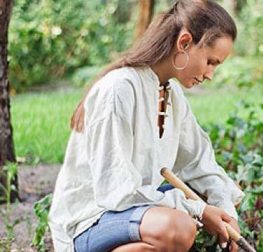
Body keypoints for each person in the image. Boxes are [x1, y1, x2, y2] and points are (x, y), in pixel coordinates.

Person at [48, 0, 244, 251]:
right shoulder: (119, 89)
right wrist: (198, 209)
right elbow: (117, 193)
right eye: (210, 61)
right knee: (179, 227)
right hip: (91, 221)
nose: (210, 75)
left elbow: (200, 163)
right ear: (184, 42)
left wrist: (227, 215)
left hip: (135, 216)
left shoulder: (172, 94)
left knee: (216, 193)